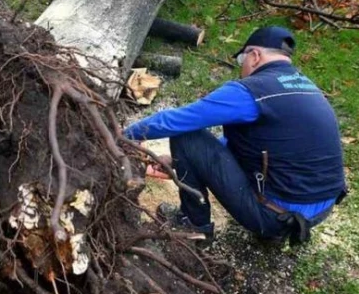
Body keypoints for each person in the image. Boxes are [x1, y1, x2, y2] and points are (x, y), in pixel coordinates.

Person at [123, 27, 346, 245]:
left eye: (242, 60)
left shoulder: (251, 91)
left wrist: (122, 136)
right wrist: (179, 162)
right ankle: (276, 230)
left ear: (255, 56)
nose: (241, 68)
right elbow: (262, 146)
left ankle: (193, 226)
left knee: (186, 137)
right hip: (318, 211)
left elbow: (174, 121)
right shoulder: (306, 87)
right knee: (199, 146)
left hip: (275, 215)